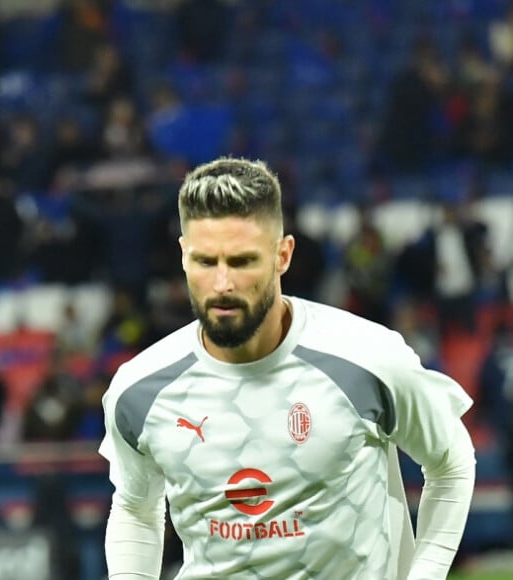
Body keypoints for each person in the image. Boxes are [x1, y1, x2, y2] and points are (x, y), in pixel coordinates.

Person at [99, 157, 476, 579]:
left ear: (283, 256)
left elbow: (451, 462)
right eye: (206, 262)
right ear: (184, 256)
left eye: (242, 262)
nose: (222, 284)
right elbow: (134, 507)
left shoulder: (368, 358)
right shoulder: (139, 389)